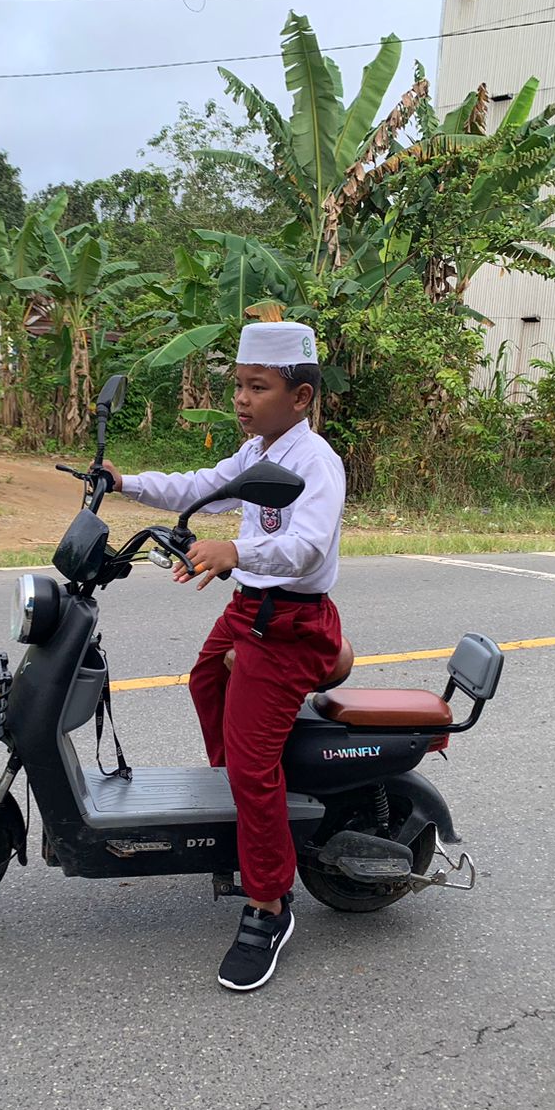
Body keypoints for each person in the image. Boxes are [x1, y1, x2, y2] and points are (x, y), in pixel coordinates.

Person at [103, 321, 346, 992]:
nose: (240, 398)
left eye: (256, 386)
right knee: (204, 680)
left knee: (251, 760)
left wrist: (236, 551)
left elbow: (305, 547)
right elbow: (200, 486)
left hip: (294, 625)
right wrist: (127, 483)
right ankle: (240, 812)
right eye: (237, 384)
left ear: (299, 397)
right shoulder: (255, 452)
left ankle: (269, 902)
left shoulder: (316, 463)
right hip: (252, 613)